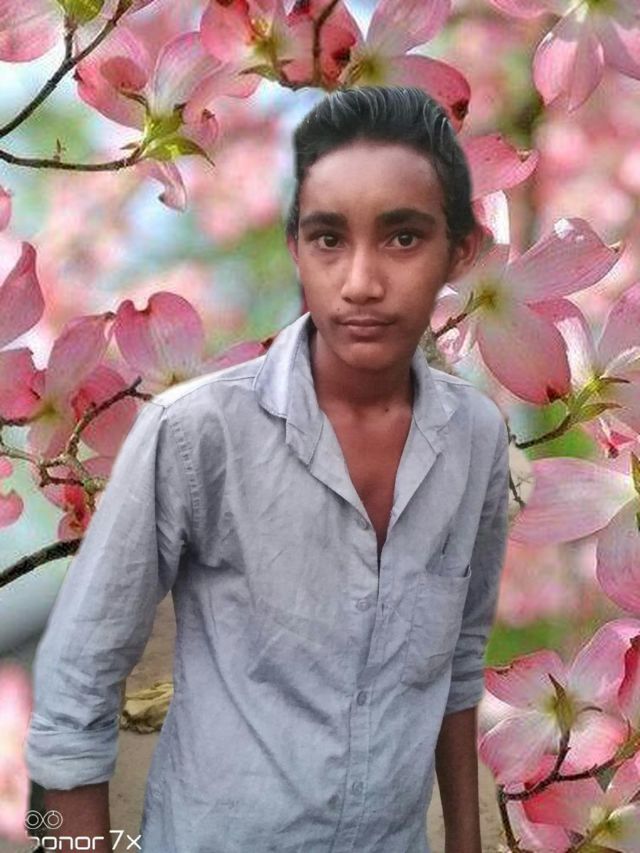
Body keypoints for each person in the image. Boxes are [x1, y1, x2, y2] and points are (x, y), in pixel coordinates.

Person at [24, 85, 510, 853]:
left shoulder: (476, 437)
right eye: (329, 238)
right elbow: (74, 684)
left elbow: (457, 662)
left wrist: (465, 842)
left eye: (402, 237)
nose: (361, 281)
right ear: (296, 249)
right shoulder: (193, 434)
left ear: (460, 253)